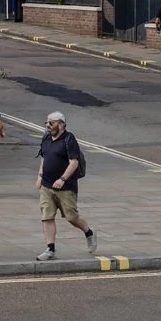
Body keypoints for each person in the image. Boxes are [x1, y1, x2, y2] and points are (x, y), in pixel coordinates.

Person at [35, 111, 97, 260]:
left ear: (61, 124)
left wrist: (62, 179)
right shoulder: (46, 138)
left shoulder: (69, 140)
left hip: (66, 187)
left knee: (71, 217)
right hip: (47, 185)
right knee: (47, 216)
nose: (48, 125)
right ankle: (50, 249)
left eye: (51, 123)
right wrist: (39, 176)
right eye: (47, 122)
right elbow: (44, 159)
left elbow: (74, 163)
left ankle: (89, 232)